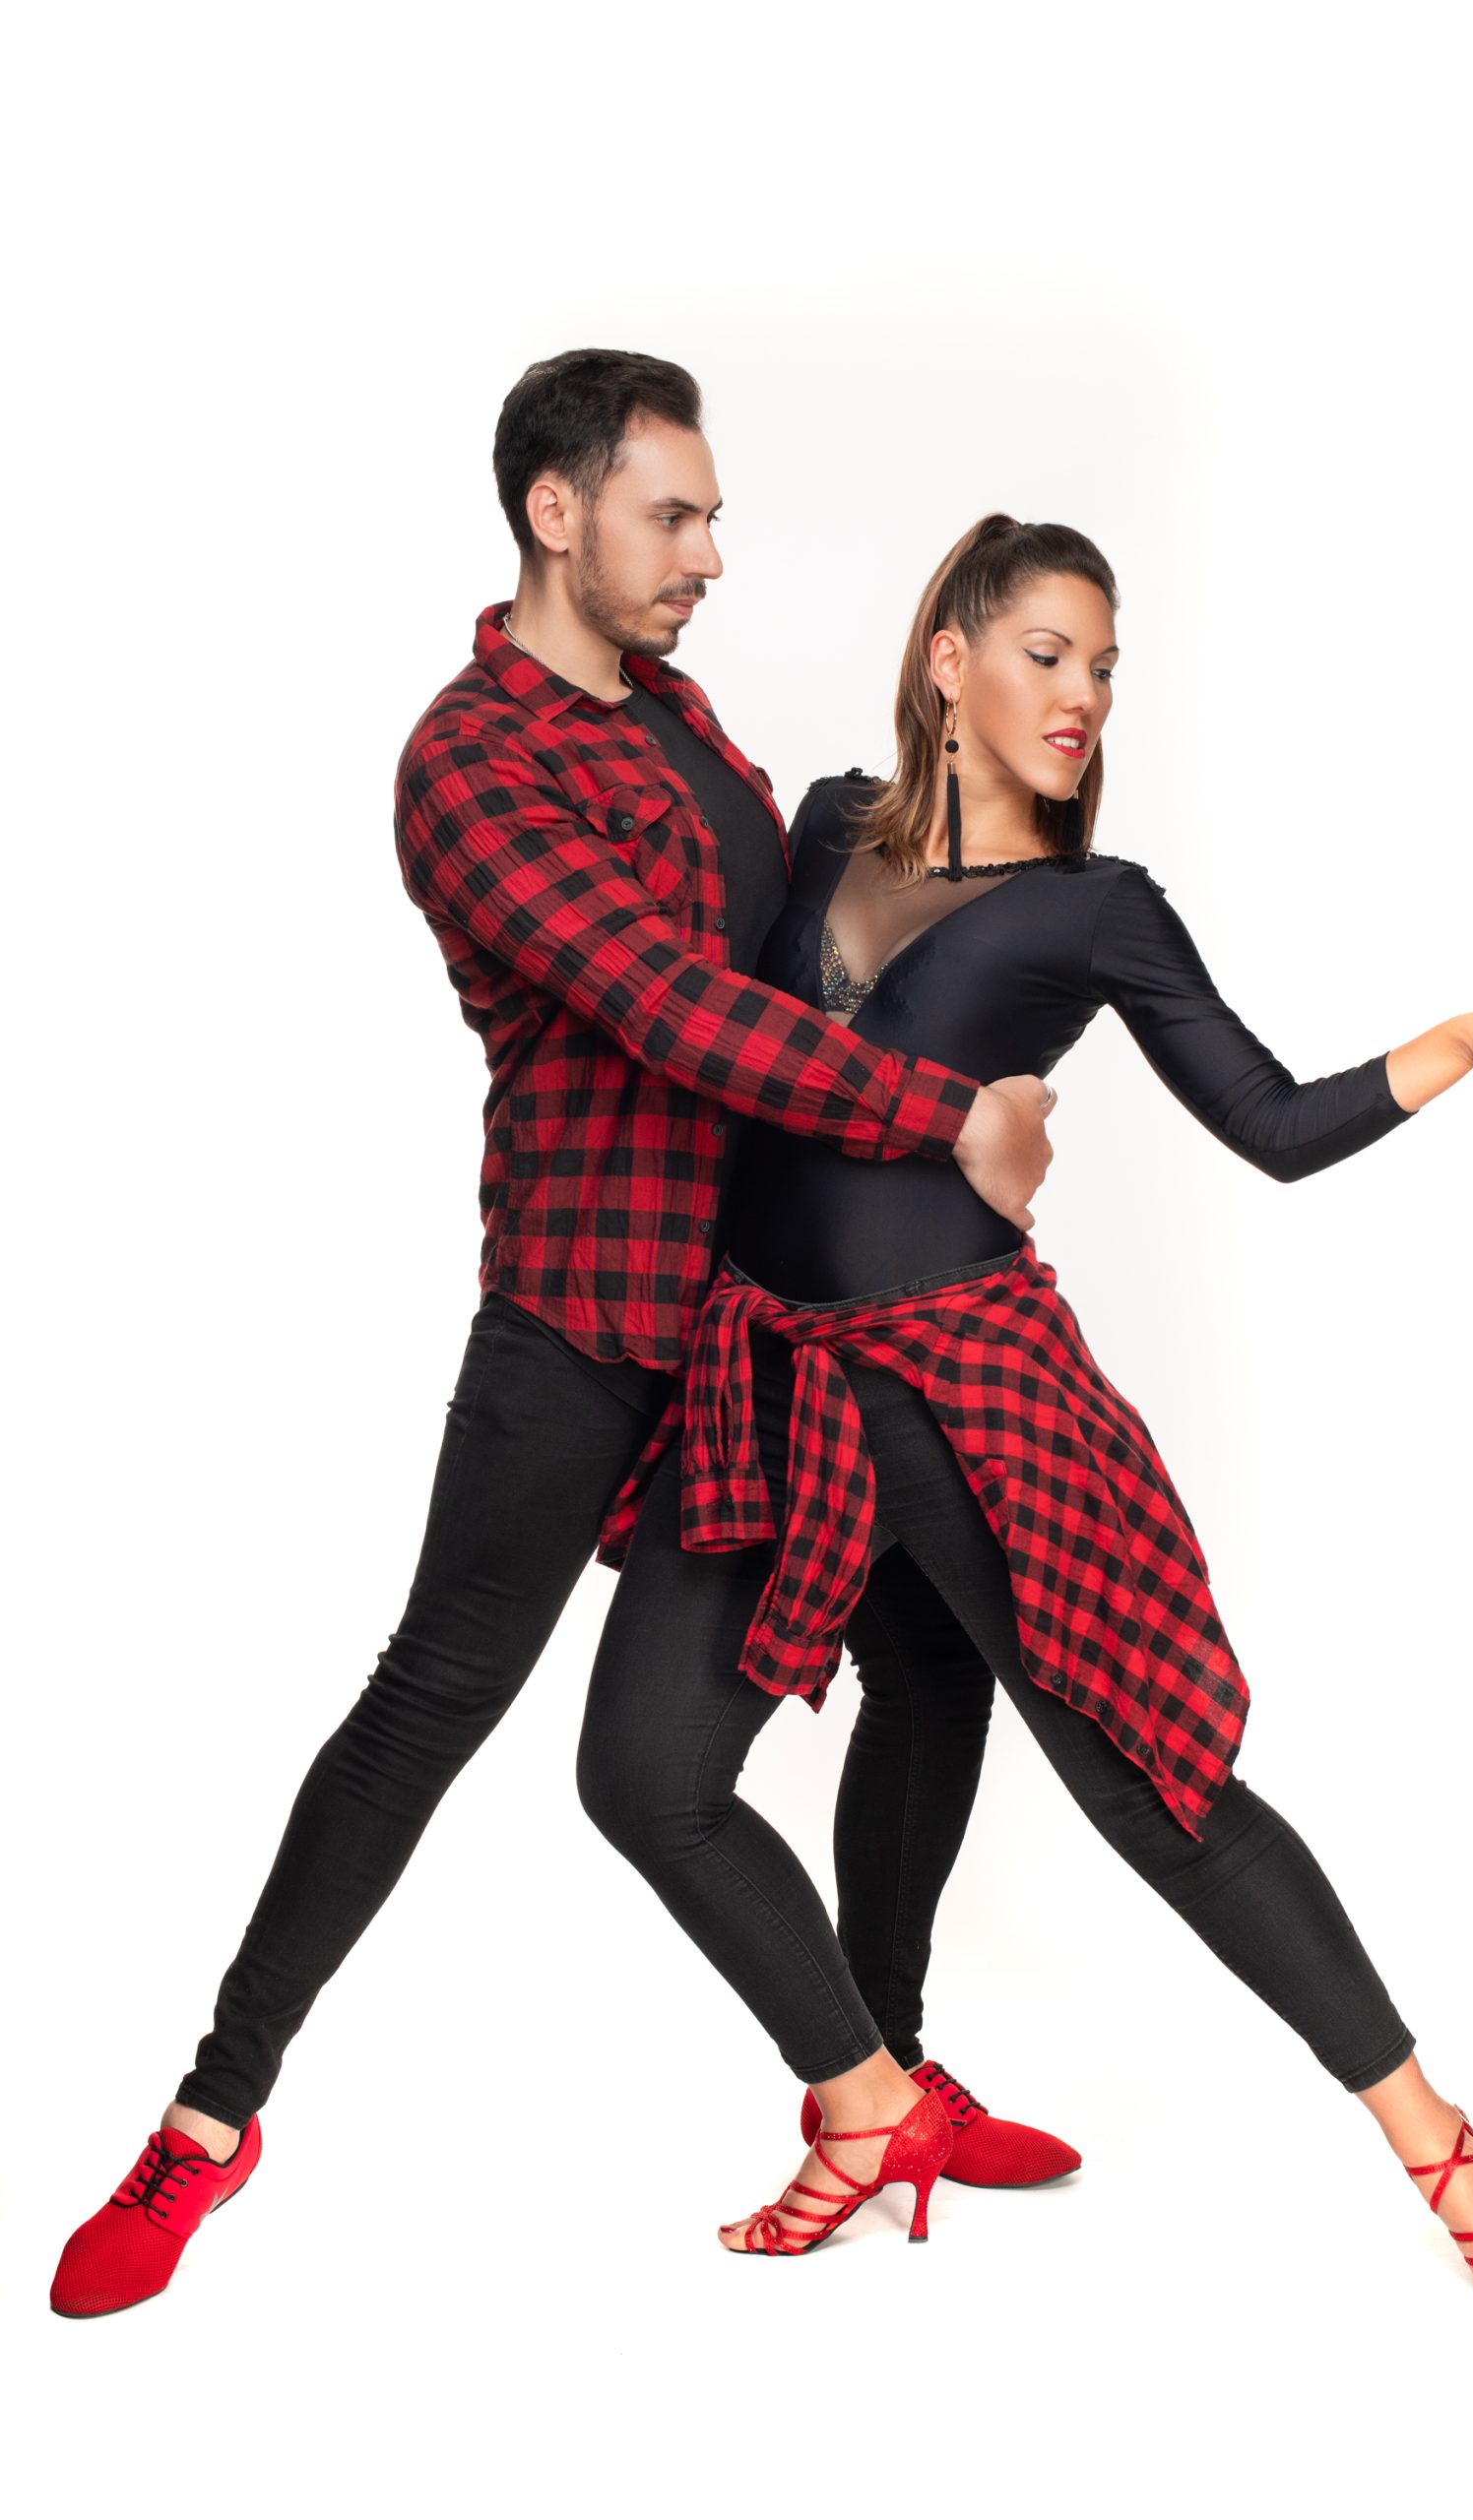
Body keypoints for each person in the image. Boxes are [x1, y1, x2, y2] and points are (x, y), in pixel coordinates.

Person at [48, 356, 1079, 2322]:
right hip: (585, 1325)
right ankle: (208, 2119)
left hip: (763, 1332)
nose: (709, 555)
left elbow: (799, 951)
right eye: (672, 515)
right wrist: (940, 1114)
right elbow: (670, 1005)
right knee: (429, 1705)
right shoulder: (468, 762)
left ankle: (887, 2080)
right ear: (554, 510)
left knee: (925, 1654)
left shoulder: (678, 719)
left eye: (710, 518)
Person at [577, 511, 1473, 2304]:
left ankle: (1440, 2143)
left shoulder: (1098, 909)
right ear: (950, 662)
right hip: (768, 1375)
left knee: (1152, 1782)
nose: (1082, 696)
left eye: (1104, 669)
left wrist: (1453, 1040)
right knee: (669, 1768)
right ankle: (878, 2097)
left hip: (964, 1388)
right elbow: (700, 1024)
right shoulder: (822, 823)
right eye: (1048, 654)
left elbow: (1272, 1123)